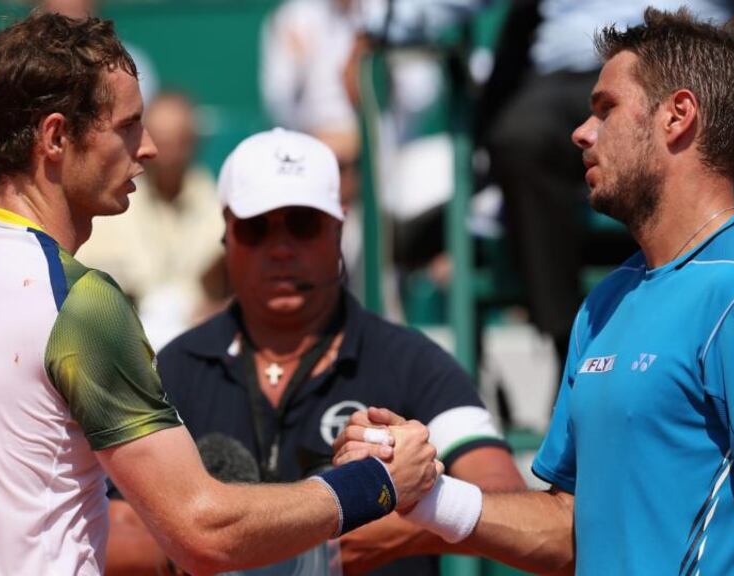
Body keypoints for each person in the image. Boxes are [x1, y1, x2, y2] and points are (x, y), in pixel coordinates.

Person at [0, 12, 442, 576]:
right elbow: (202, 529)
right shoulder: (77, 303)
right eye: (128, 127)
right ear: (55, 137)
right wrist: (376, 484)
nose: (148, 148)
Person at [338, 9, 734, 574]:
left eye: (606, 109)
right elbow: (569, 527)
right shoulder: (605, 303)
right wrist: (427, 494)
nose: (582, 131)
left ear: (678, 116)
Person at [105, 128, 525, 575]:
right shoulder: (175, 368)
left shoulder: (412, 362)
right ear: (226, 233)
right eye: (256, 228)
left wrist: (421, 502)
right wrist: (365, 506)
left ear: (339, 228)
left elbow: (507, 500)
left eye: (303, 224)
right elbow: (115, 526)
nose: (281, 248)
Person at [480, 0, 734, 367]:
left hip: (702, 67)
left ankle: (728, 330)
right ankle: (574, 350)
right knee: (520, 141)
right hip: (568, 72)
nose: (585, 134)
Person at [75, 91, 227, 349]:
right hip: (122, 342)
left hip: (202, 342)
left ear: (192, 143)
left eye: (177, 142)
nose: (166, 154)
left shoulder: (218, 204)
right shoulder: (110, 205)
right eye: (161, 141)